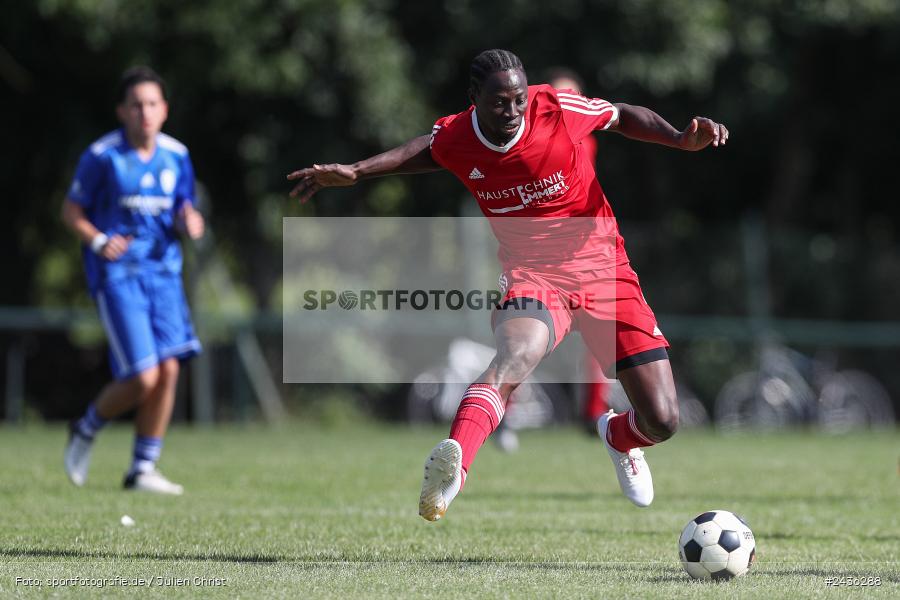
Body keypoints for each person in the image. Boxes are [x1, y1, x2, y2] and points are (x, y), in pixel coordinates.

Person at [287, 49, 728, 519]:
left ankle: (618, 436)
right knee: (515, 356)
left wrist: (680, 139)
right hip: (533, 273)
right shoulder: (459, 135)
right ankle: (454, 467)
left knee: (663, 420)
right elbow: (425, 150)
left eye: (518, 99)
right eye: (499, 102)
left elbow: (622, 116)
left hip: (604, 268)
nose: (512, 111)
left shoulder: (557, 108)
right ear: (474, 98)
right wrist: (357, 171)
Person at [62, 66, 204, 495]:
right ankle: (85, 428)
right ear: (122, 111)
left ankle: (142, 467)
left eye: (152, 104)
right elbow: (71, 211)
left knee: (170, 369)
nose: (145, 112)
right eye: (136, 104)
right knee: (143, 376)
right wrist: (99, 239)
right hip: (119, 275)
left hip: (164, 274)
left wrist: (190, 220)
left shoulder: (177, 155)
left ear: (164, 110)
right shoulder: (103, 155)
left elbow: (184, 205)